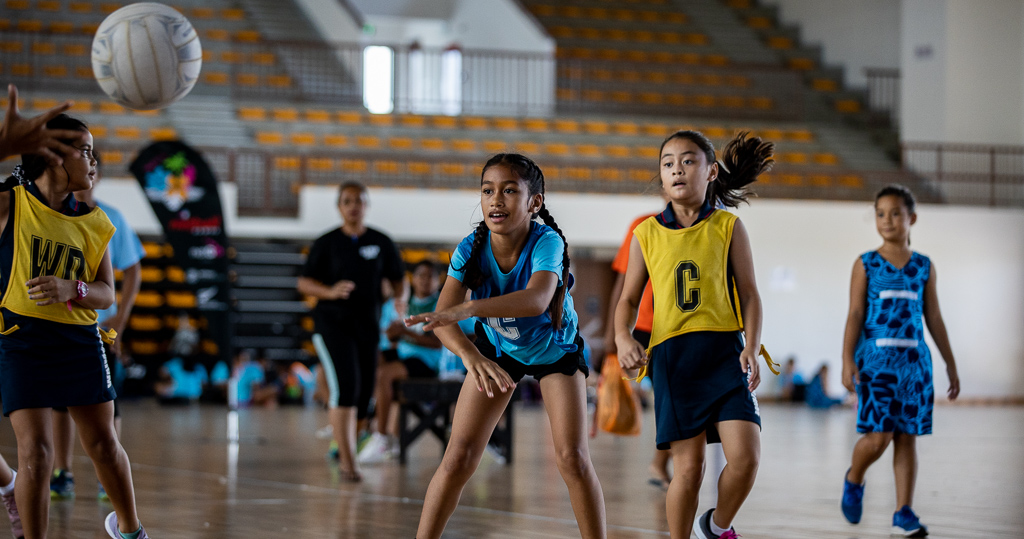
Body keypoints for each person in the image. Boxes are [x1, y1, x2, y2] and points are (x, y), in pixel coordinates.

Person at [405, 153, 606, 539]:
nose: (496, 199)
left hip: (556, 353)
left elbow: (535, 299)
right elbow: (441, 320)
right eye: (487, 190)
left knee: (573, 459)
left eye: (510, 190)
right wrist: (469, 354)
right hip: (500, 352)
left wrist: (469, 308)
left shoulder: (547, 242)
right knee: (458, 457)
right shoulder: (469, 248)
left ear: (535, 202)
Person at [614, 130, 773, 539]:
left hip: (725, 353)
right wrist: (623, 338)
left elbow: (751, 295)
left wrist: (752, 347)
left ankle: (716, 527)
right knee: (689, 469)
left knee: (747, 457)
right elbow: (628, 300)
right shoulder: (645, 234)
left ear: (711, 171)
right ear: (661, 176)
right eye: (667, 163)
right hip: (674, 360)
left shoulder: (728, 227)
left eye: (687, 160)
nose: (676, 169)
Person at [0, 114, 147, 538]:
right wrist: (4, 145)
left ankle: (131, 530)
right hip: (22, 340)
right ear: (54, 157)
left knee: (103, 443)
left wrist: (74, 288)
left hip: (80, 340)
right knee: (37, 453)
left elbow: (107, 293)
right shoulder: (13, 203)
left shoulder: (96, 221)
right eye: (84, 150)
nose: (93, 160)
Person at [840, 185, 960, 537]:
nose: (887, 220)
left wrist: (950, 362)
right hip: (876, 363)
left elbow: (934, 317)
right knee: (879, 438)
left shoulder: (924, 266)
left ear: (913, 218)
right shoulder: (866, 263)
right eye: (880, 213)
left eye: (895, 213)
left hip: (914, 364)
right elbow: (856, 312)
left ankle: (903, 512)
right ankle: (854, 477)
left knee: (907, 438)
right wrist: (847, 358)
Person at [50, 149, 145, 502]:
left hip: (99, 326)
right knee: (60, 403)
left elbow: (133, 268)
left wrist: (122, 316)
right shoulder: (50, 214)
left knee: (107, 401)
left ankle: (108, 476)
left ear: (97, 174)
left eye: (93, 164)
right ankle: (63, 471)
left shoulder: (110, 217)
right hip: (58, 322)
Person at [297, 182, 405, 482]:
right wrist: (330, 291)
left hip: (367, 327)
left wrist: (400, 297)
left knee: (362, 395)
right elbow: (304, 283)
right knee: (345, 387)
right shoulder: (327, 243)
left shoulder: (381, 242)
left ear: (366, 205)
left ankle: (347, 445)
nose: (353, 205)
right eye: (347, 201)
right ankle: (348, 463)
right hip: (332, 326)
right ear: (339, 207)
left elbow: (399, 279)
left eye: (359, 200)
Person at [602, 201, 672, 489]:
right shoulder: (644, 224)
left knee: (676, 402)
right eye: (669, 165)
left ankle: (661, 464)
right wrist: (613, 337)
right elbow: (622, 284)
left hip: (689, 329)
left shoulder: (711, 225)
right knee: (670, 402)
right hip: (647, 326)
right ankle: (663, 465)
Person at [359, 260, 444, 463]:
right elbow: (387, 335)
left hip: (428, 362)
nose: (425, 280)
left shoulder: (441, 303)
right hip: (404, 356)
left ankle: (382, 437)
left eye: (430, 276)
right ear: (412, 279)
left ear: (438, 280)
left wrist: (406, 332)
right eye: (421, 275)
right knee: (372, 362)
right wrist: (392, 334)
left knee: (384, 374)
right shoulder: (401, 304)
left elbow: (439, 343)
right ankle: (367, 419)